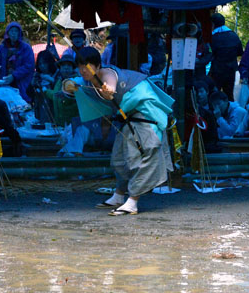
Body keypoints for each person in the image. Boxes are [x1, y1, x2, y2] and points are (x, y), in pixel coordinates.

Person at [75, 47, 174, 215]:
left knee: (146, 153)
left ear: (98, 65)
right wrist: (68, 86)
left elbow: (110, 88)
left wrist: (108, 91)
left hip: (145, 110)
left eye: (88, 65)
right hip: (129, 115)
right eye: (80, 66)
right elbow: (73, 84)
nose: (84, 69)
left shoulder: (106, 74)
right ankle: (119, 195)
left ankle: (133, 200)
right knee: (119, 157)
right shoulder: (87, 80)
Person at [0, 21, 36, 103]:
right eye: (11, 31)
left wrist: (14, 75)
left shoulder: (26, 48)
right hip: (4, 80)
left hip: (21, 82)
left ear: (19, 33)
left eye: (16, 31)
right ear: (7, 33)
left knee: (21, 104)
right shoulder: (2, 47)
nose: (13, 34)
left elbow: (29, 66)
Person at [209, 13, 243, 100]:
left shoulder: (214, 37)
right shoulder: (234, 35)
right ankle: (229, 113)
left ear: (213, 24)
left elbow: (210, 54)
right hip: (231, 70)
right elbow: (240, 52)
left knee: (214, 95)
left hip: (217, 71)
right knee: (229, 95)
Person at [46, 53, 80, 127]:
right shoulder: (59, 81)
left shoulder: (76, 81)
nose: (66, 68)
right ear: (60, 68)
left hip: (73, 125)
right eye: (63, 65)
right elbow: (55, 95)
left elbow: (71, 95)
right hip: (60, 123)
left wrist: (65, 95)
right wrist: (45, 90)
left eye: (69, 65)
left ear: (73, 68)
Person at [31, 50, 59, 123]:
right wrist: (32, 85)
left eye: (44, 63)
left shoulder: (57, 75)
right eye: (40, 64)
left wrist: (51, 80)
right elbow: (30, 94)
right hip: (41, 111)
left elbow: (58, 92)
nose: (42, 66)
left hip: (55, 112)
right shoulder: (37, 77)